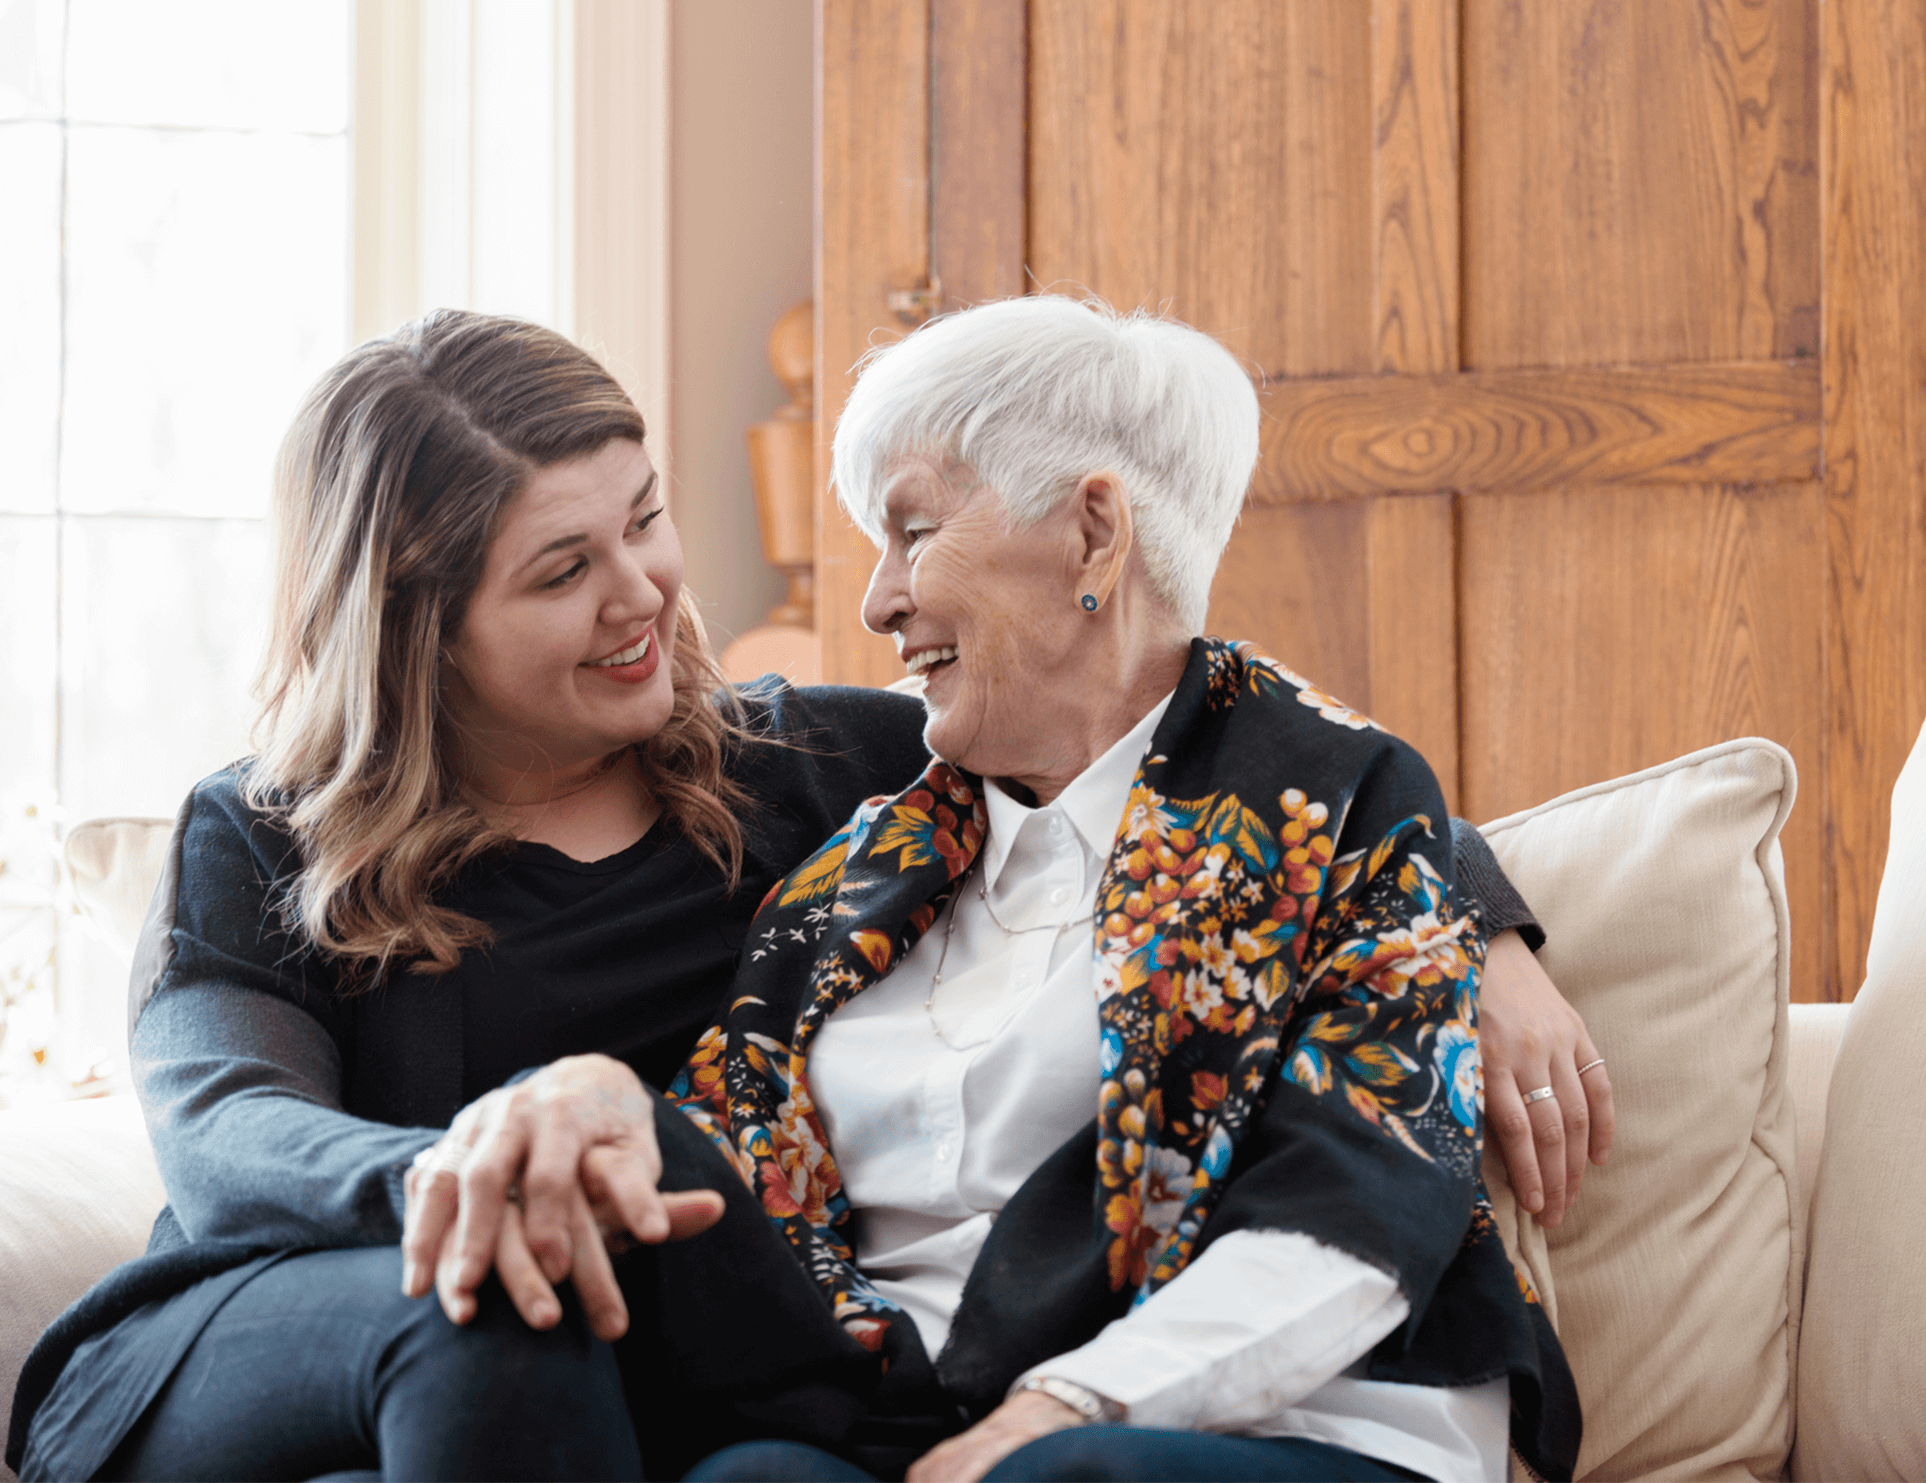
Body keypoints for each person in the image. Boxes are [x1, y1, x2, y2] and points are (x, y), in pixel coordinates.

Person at [5, 306, 1600, 1483]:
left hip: (605, 1372)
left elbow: (1173, 716)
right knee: (506, 1289)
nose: (641, 595)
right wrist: (492, 1165)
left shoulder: (795, 768)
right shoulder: (268, 826)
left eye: (642, 521)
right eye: (561, 571)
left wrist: (1478, 915)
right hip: (262, 1321)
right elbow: (226, 1137)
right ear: (416, 624)